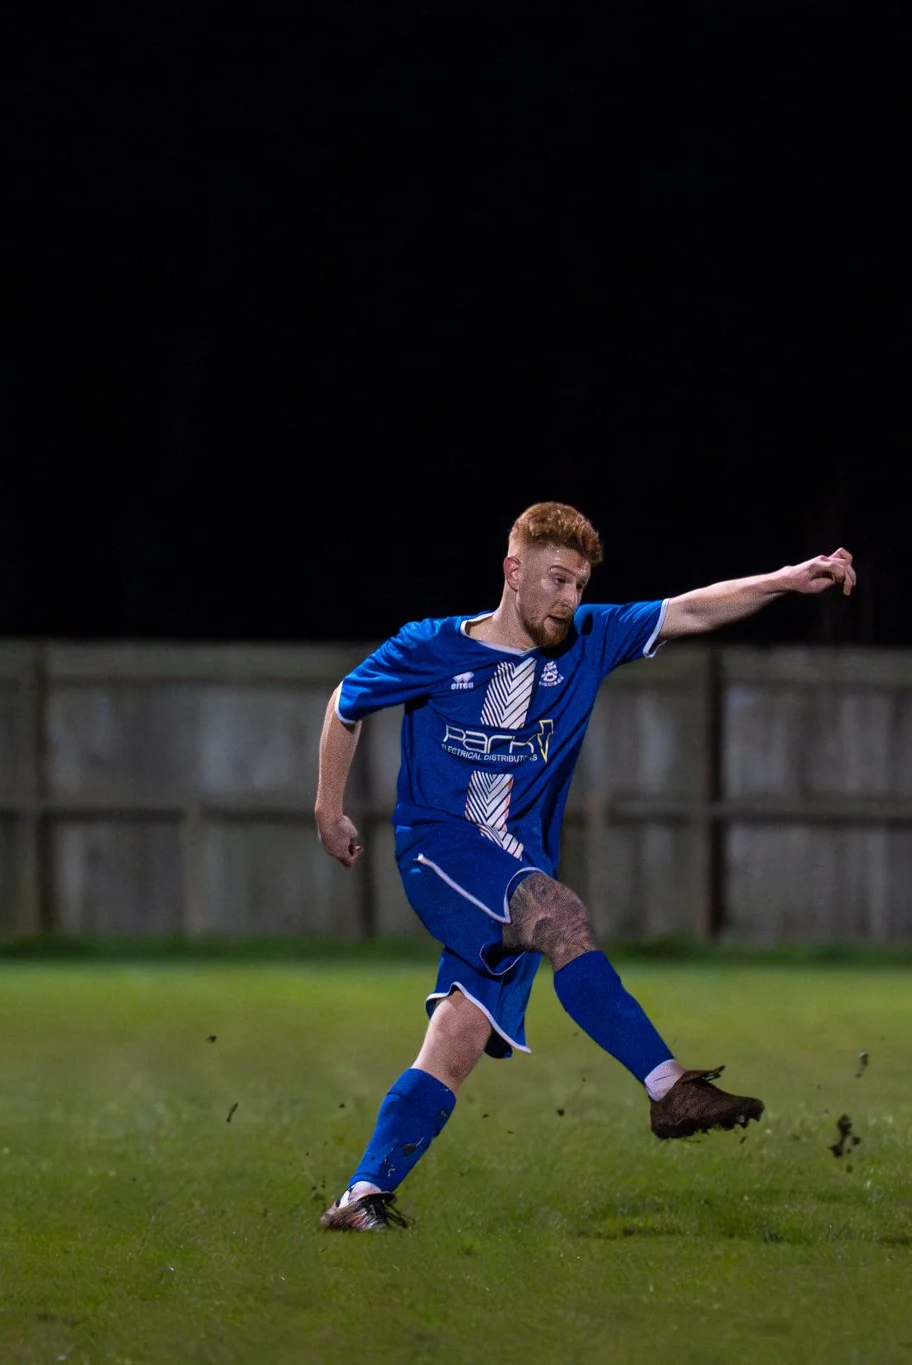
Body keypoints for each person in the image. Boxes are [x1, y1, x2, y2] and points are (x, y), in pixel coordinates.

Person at [312, 501, 856, 1230]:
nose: (570, 599)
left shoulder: (589, 640)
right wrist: (329, 808)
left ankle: (361, 1197)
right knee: (560, 915)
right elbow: (345, 702)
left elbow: (691, 609)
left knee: (457, 1039)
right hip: (442, 853)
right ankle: (668, 1087)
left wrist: (787, 579)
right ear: (513, 572)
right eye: (557, 580)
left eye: (579, 584)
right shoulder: (431, 647)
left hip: (518, 868)